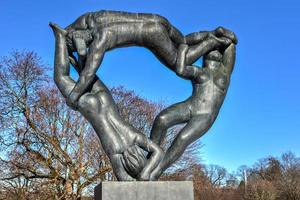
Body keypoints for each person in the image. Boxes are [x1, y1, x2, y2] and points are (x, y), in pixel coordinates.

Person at [53, 10, 237, 109]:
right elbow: (81, 46)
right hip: (157, 20)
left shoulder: (100, 37)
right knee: (182, 41)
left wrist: (74, 95)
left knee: (178, 63)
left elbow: (89, 71)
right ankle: (213, 33)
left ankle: (210, 42)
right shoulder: (91, 18)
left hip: (150, 34)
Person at [50, 23, 164, 181]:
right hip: (91, 107)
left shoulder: (135, 138)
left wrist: (147, 171)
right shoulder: (116, 153)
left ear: (141, 157)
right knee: (61, 77)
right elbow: (123, 178)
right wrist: (142, 178)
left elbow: (159, 152)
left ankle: (82, 54)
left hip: (106, 100)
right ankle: (60, 37)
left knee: (87, 74)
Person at [149, 43, 236, 180]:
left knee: (182, 139)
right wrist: (183, 49)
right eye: (210, 49)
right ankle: (149, 158)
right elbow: (181, 70)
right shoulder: (199, 71)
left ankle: (157, 171)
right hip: (191, 106)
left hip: (206, 115)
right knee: (162, 119)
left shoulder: (225, 72)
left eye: (217, 50)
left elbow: (231, 42)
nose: (214, 51)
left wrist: (216, 36)